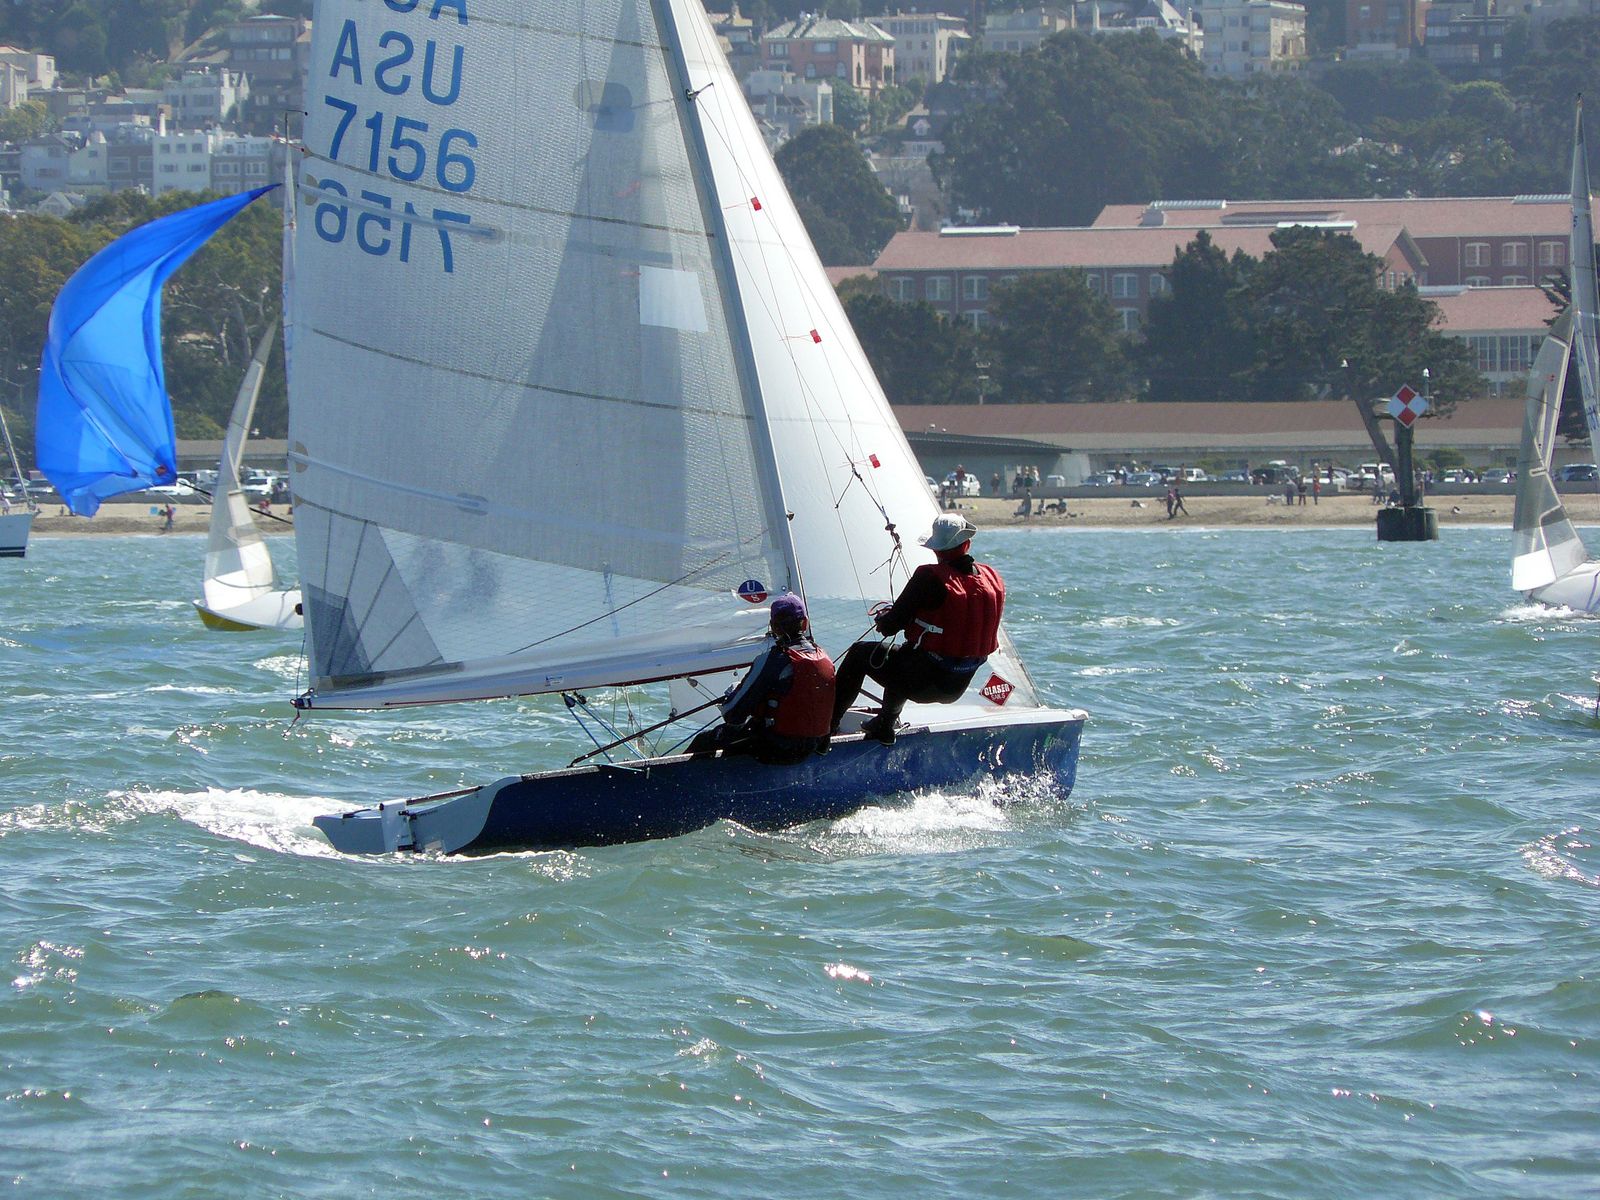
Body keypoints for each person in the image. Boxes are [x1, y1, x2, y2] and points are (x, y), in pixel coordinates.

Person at [830, 514, 1004, 746]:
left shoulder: (928, 577)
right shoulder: (991, 577)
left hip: (923, 684)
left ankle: (826, 730)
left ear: (936, 549)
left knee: (860, 653)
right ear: (967, 544)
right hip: (957, 686)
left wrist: (884, 618)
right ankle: (884, 724)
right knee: (906, 655)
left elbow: (889, 628)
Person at [688, 594, 834, 765]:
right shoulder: (824, 658)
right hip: (813, 746)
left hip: (778, 749)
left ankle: (680, 780)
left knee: (704, 740)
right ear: (805, 623)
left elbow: (733, 715)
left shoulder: (773, 660)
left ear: (774, 626)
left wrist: (733, 694)